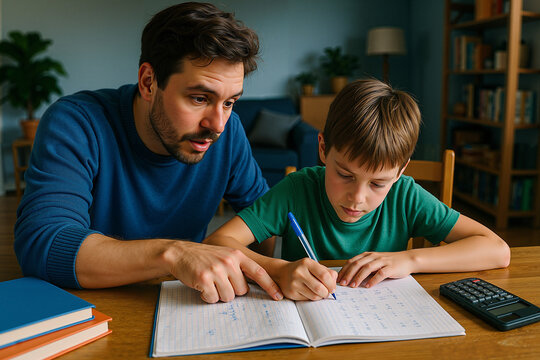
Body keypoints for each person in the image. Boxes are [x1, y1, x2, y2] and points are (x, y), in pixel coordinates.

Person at [14, 2, 284, 304]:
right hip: (96, 309)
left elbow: (263, 224)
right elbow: (43, 245)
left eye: (229, 102)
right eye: (199, 98)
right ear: (148, 83)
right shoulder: (76, 122)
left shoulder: (229, 132)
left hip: (188, 305)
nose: (217, 125)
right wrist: (174, 254)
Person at [204, 79, 511, 301]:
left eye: (378, 183)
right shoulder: (297, 189)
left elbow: (497, 250)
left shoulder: (405, 195)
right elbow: (217, 243)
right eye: (345, 174)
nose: (358, 198)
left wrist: (409, 260)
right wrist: (279, 269)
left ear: (402, 169)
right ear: (323, 148)